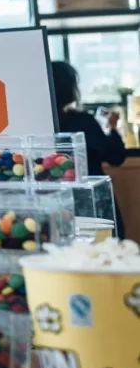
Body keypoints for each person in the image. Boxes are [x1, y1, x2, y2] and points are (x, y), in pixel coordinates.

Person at [51, 61, 127, 238]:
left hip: (56, 205)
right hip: (93, 202)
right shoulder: (82, 121)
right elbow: (116, 157)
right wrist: (113, 128)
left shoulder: (40, 124)